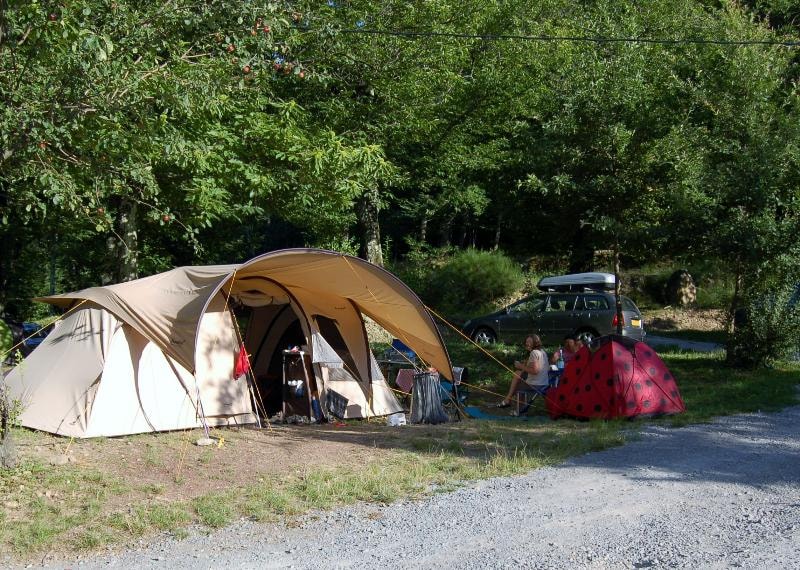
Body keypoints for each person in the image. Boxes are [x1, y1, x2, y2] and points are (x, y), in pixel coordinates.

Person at [496, 334, 548, 408]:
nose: (527, 343)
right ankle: (508, 400)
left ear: (535, 342)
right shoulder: (542, 352)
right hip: (544, 383)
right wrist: (524, 365)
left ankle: (518, 409)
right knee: (518, 374)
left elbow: (535, 371)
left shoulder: (534, 353)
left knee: (518, 385)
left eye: (530, 341)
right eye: (527, 341)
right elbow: (536, 367)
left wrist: (520, 366)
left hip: (537, 384)